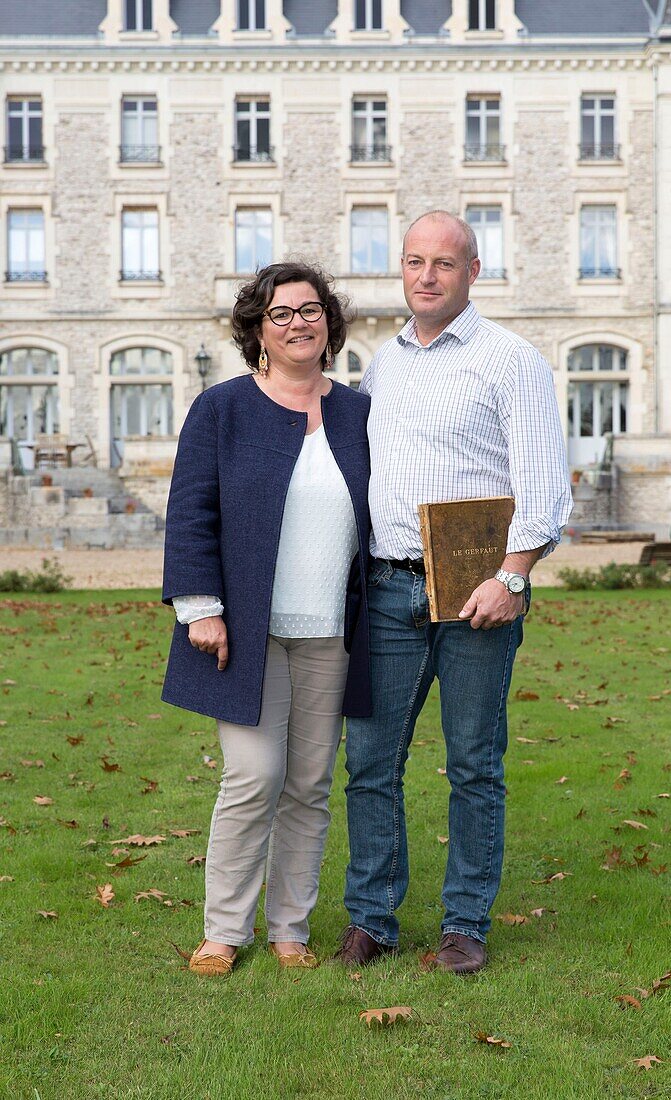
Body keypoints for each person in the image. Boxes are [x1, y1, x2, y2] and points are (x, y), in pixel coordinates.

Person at [335, 211, 573, 974]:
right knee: (370, 764)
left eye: (443, 262)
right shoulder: (382, 363)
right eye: (413, 261)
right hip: (388, 589)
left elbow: (544, 492)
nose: (427, 275)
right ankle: (371, 921)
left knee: (473, 764)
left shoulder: (511, 361)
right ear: (399, 271)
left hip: (477, 596)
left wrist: (511, 579)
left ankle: (463, 925)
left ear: (473, 271)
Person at [161, 261, 371, 975]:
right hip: (245, 631)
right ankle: (224, 930)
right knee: (254, 775)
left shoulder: (357, 412)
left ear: (329, 323)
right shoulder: (221, 409)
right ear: (256, 329)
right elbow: (191, 511)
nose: (298, 323)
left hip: (331, 632)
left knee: (310, 783)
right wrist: (199, 608)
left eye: (310, 310)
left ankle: (288, 928)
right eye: (280, 313)